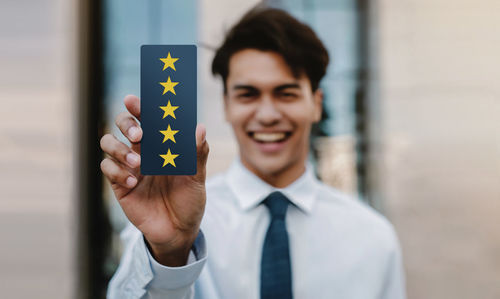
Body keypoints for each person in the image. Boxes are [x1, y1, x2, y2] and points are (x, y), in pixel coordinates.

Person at [100, 6, 406, 299]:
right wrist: (169, 253)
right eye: (248, 94)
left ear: (316, 104)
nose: (268, 114)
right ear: (226, 105)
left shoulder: (373, 238)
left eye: (286, 93)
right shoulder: (168, 220)